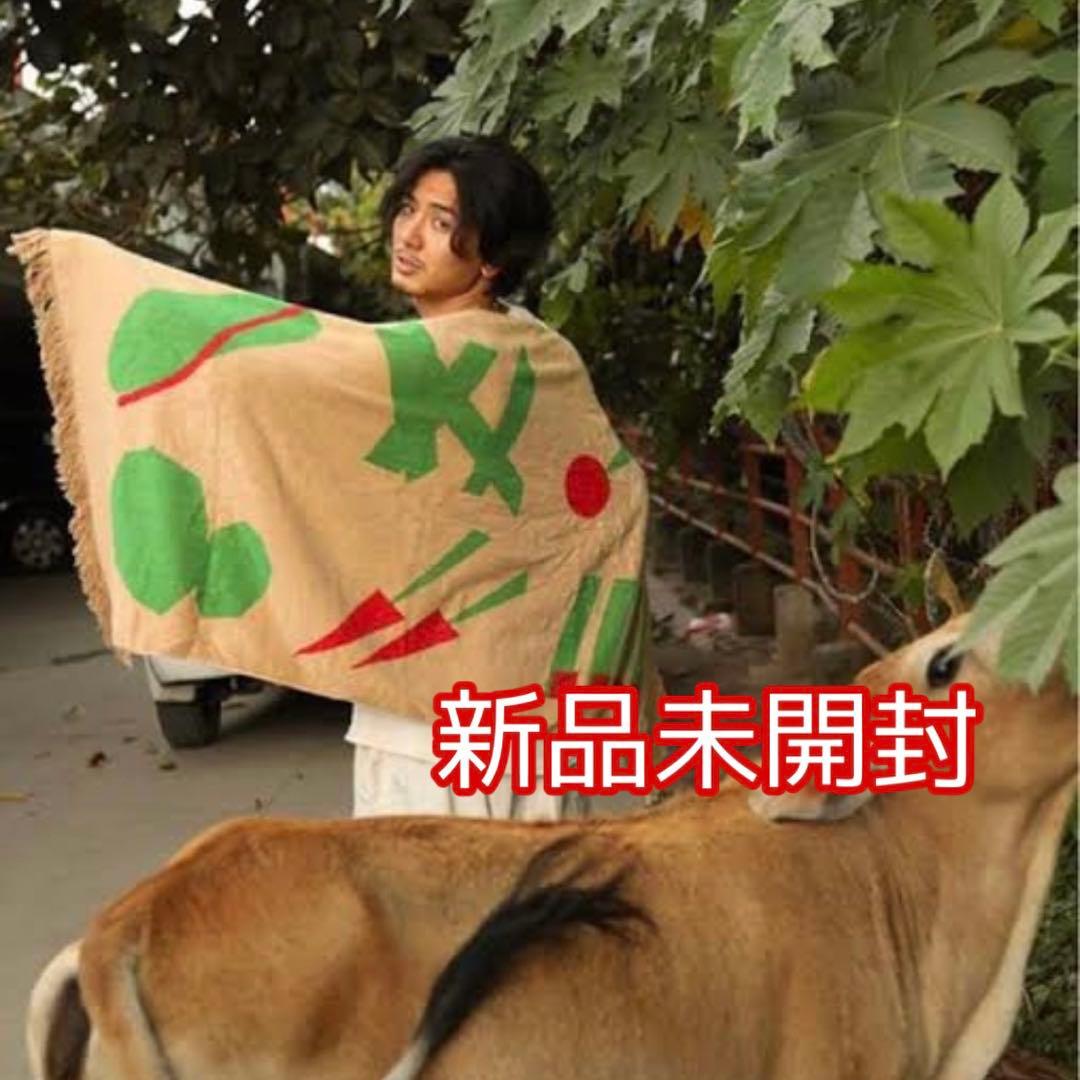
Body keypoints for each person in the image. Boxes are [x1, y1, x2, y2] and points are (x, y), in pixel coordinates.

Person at [346, 135, 585, 821]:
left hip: (450, 717)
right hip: (483, 702)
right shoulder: (538, 351)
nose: (409, 235)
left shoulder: (477, 366)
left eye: (442, 221)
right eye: (408, 209)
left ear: (492, 257)